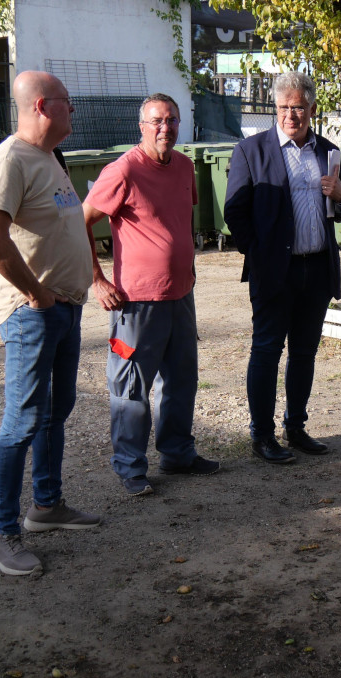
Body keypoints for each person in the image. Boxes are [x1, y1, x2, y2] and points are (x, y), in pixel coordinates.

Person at [0, 71, 101, 576]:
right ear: (44, 106)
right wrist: (35, 293)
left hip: (63, 307)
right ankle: (1, 533)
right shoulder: (9, 160)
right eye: (69, 104)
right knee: (22, 420)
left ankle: (46, 506)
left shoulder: (49, 156)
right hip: (33, 313)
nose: (75, 112)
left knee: (57, 410)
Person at [82, 93, 219, 497]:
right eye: (156, 121)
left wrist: (188, 266)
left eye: (172, 120)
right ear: (141, 127)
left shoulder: (184, 166)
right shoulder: (122, 170)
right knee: (131, 387)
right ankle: (130, 467)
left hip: (180, 295)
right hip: (136, 301)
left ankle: (177, 453)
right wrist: (97, 279)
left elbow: (182, 219)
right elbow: (81, 223)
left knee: (182, 379)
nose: (165, 128)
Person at [223, 70, 341, 464]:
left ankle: (295, 427)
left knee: (304, 354)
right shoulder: (251, 151)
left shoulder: (328, 152)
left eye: (298, 108)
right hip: (274, 273)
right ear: (274, 110)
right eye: (283, 108)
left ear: (312, 109)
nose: (290, 116)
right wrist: (260, 256)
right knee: (266, 351)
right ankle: (262, 435)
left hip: (316, 271)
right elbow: (235, 212)